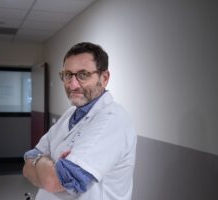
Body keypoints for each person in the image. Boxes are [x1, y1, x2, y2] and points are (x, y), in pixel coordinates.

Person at [22, 42, 137, 200]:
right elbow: (27, 164)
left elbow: (52, 182)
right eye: (68, 75)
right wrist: (48, 165)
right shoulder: (70, 114)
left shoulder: (112, 120)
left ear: (104, 78)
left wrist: (40, 161)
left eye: (83, 75)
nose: (73, 84)